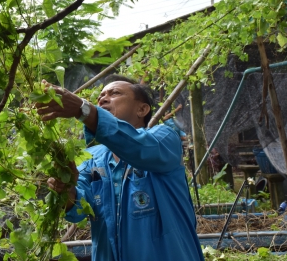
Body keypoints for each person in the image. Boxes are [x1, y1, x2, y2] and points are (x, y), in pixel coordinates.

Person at [35, 75, 204, 261]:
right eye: (100, 96)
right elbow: (77, 210)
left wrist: (83, 109)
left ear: (142, 109)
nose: (103, 98)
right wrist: (66, 189)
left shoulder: (164, 138)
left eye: (115, 93)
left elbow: (139, 148)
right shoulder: (92, 158)